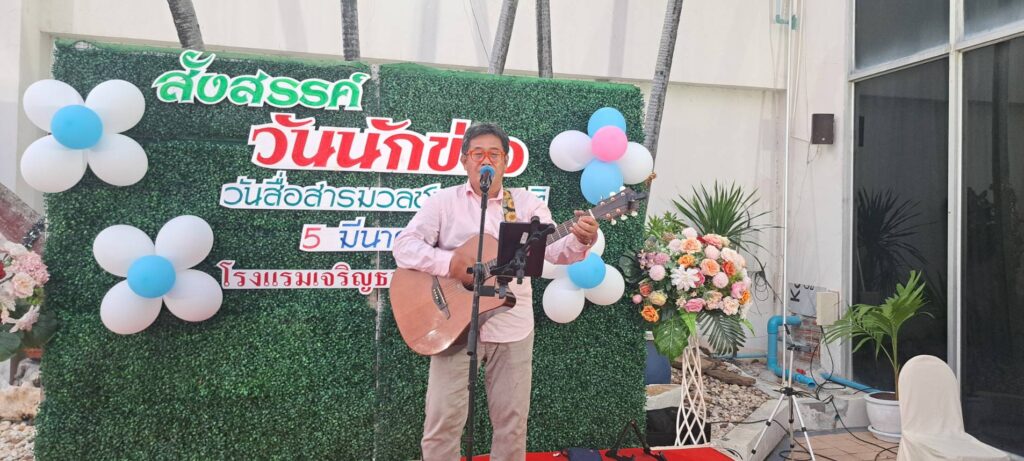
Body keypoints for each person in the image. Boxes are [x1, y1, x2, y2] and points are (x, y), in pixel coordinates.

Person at [392, 122, 599, 461]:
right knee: (442, 423)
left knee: (512, 424)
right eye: (477, 153)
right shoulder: (443, 203)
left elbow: (553, 251)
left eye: (494, 154)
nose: (485, 160)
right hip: (453, 326)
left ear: (506, 161)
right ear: (464, 160)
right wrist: (449, 263)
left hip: (512, 328)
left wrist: (581, 239)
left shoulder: (527, 204)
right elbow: (404, 247)